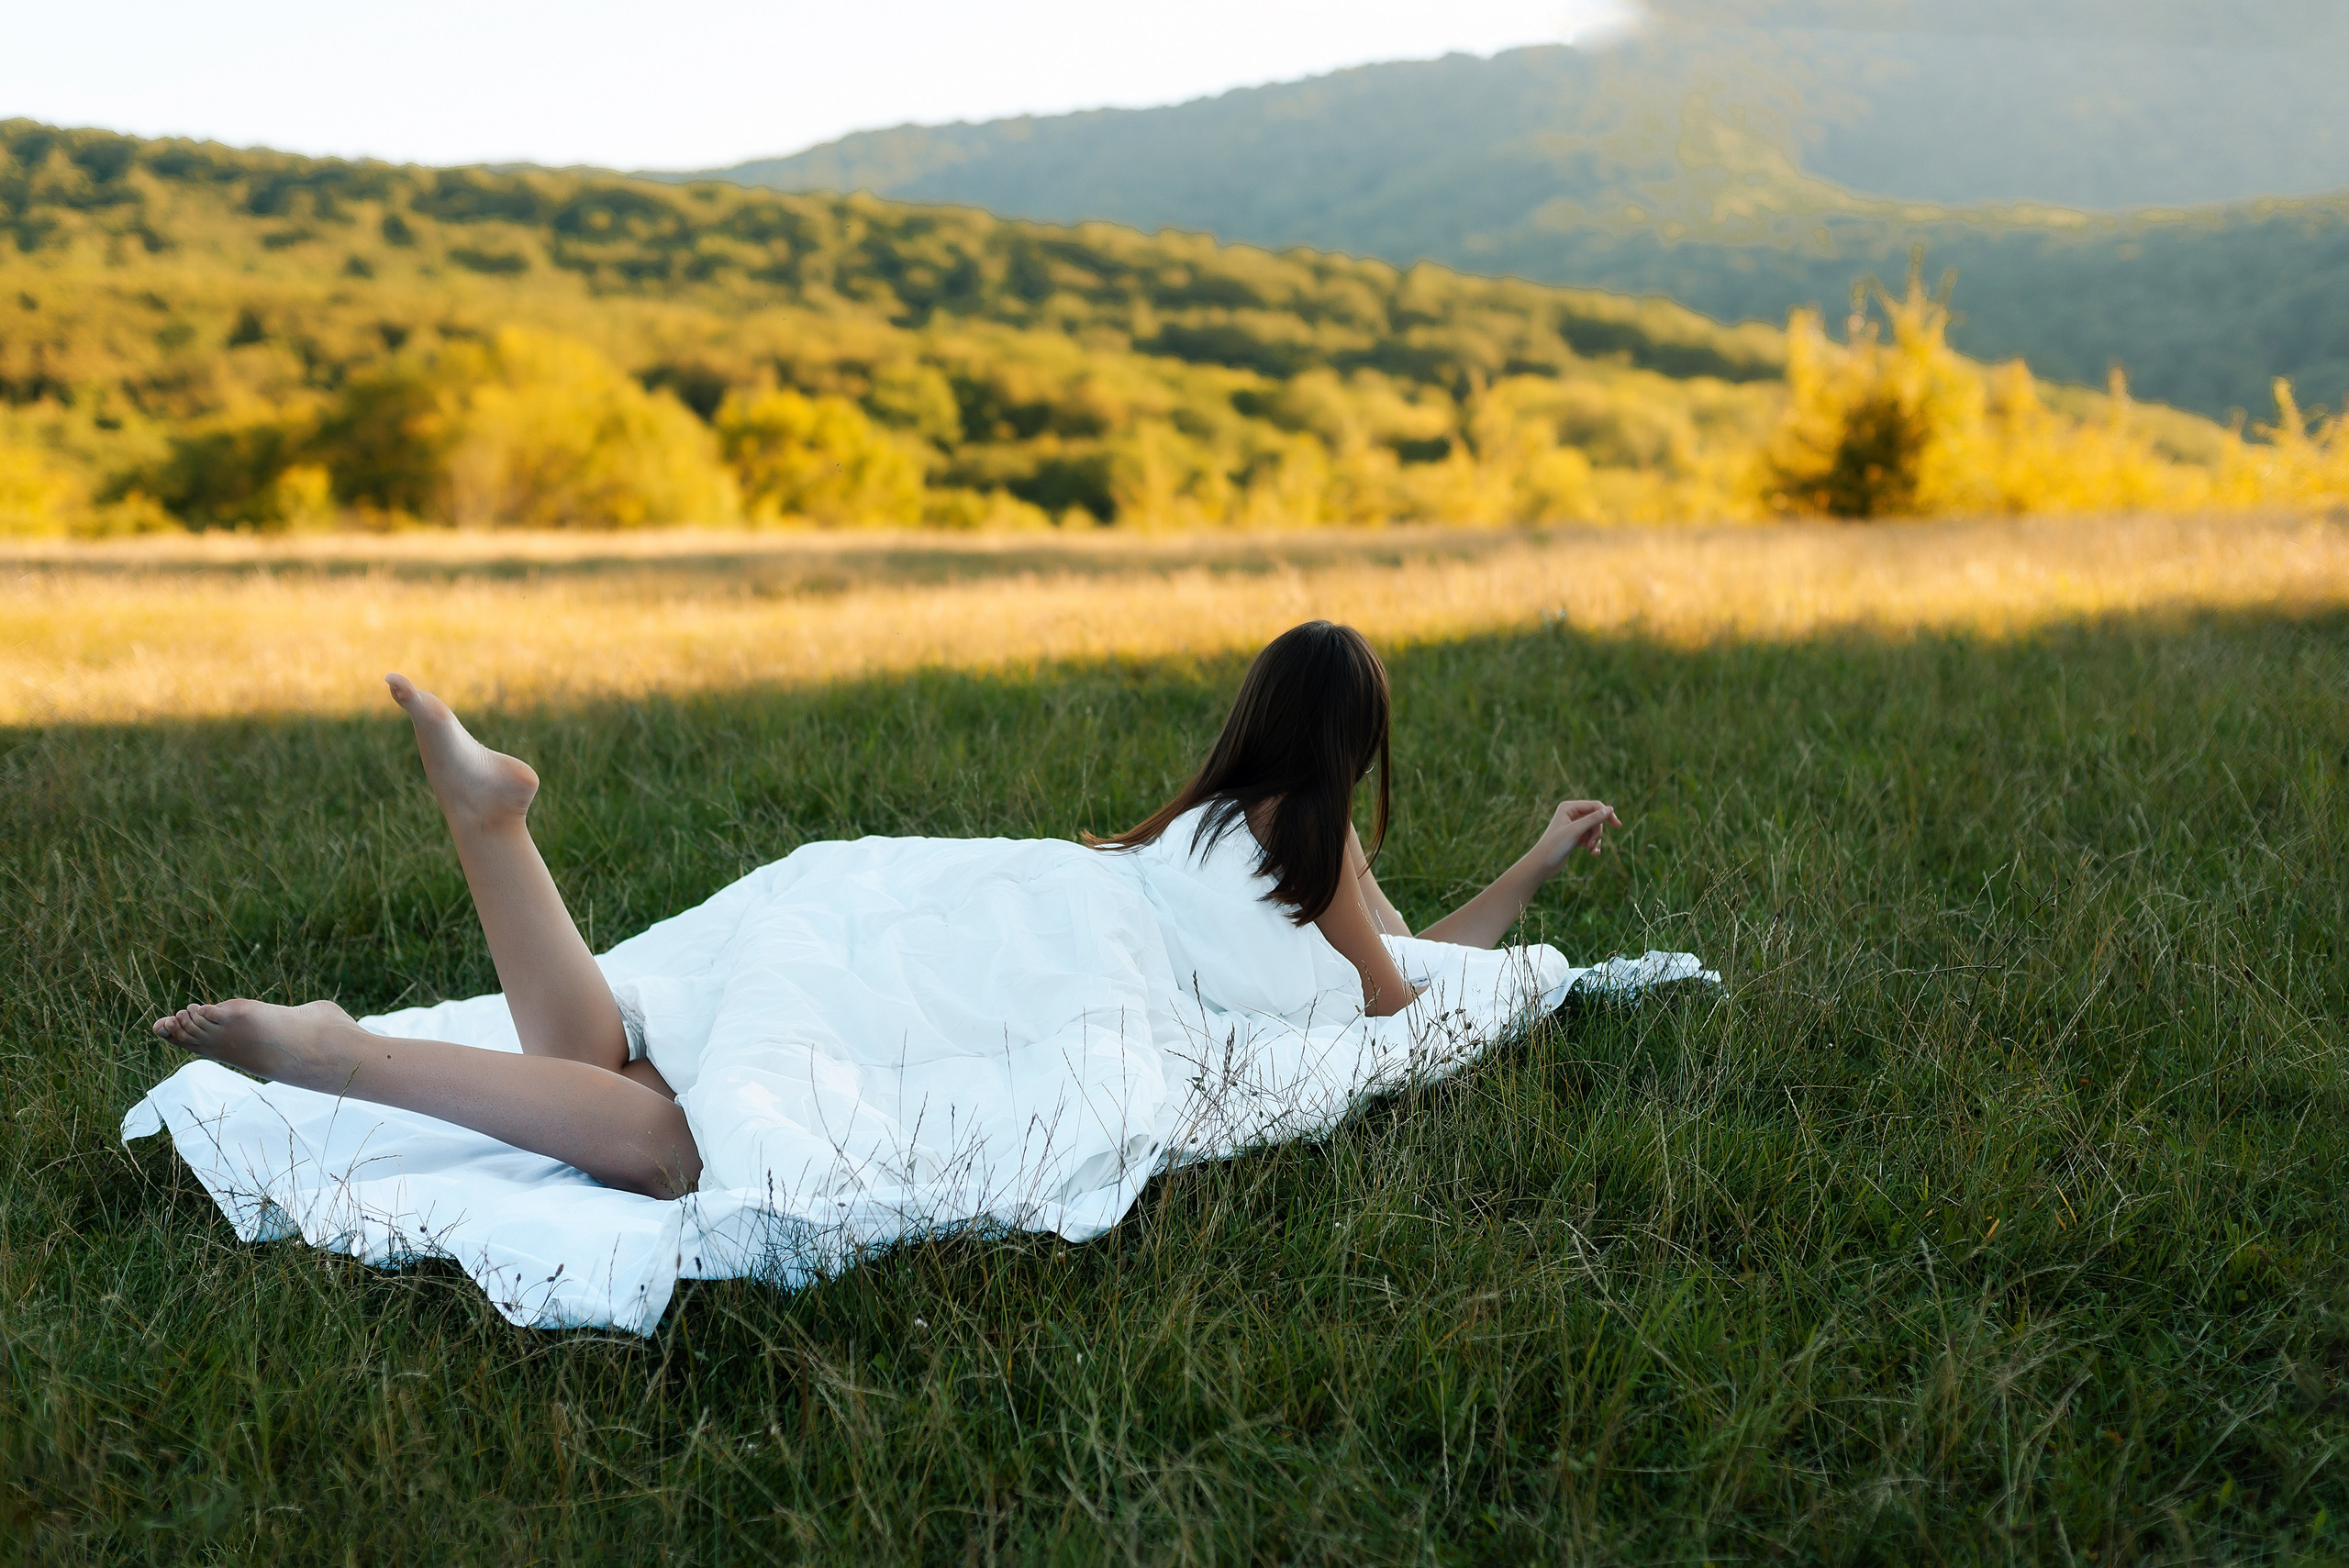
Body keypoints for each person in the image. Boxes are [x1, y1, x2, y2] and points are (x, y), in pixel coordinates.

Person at [152, 622, 1620, 1204]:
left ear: (1255, 715)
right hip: (1053, 982)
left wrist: (1536, 855)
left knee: (626, 1044)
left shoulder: (1192, 825)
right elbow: (1417, 993)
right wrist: (1526, 886)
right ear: (1356, 745)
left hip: (964, 892)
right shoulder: (1325, 859)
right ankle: (345, 1054)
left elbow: (1418, 953)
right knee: (684, 1148)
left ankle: (496, 833)